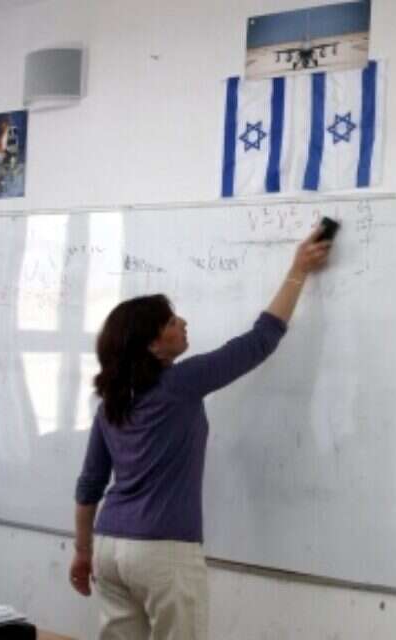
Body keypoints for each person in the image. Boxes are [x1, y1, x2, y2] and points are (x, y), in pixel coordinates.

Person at [70, 226, 332, 639]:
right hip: (162, 551)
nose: (183, 322)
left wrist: (83, 551)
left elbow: (90, 486)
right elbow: (260, 340)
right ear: (154, 346)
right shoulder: (180, 383)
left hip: (109, 548)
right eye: (172, 321)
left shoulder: (111, 403)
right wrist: (298, 270)